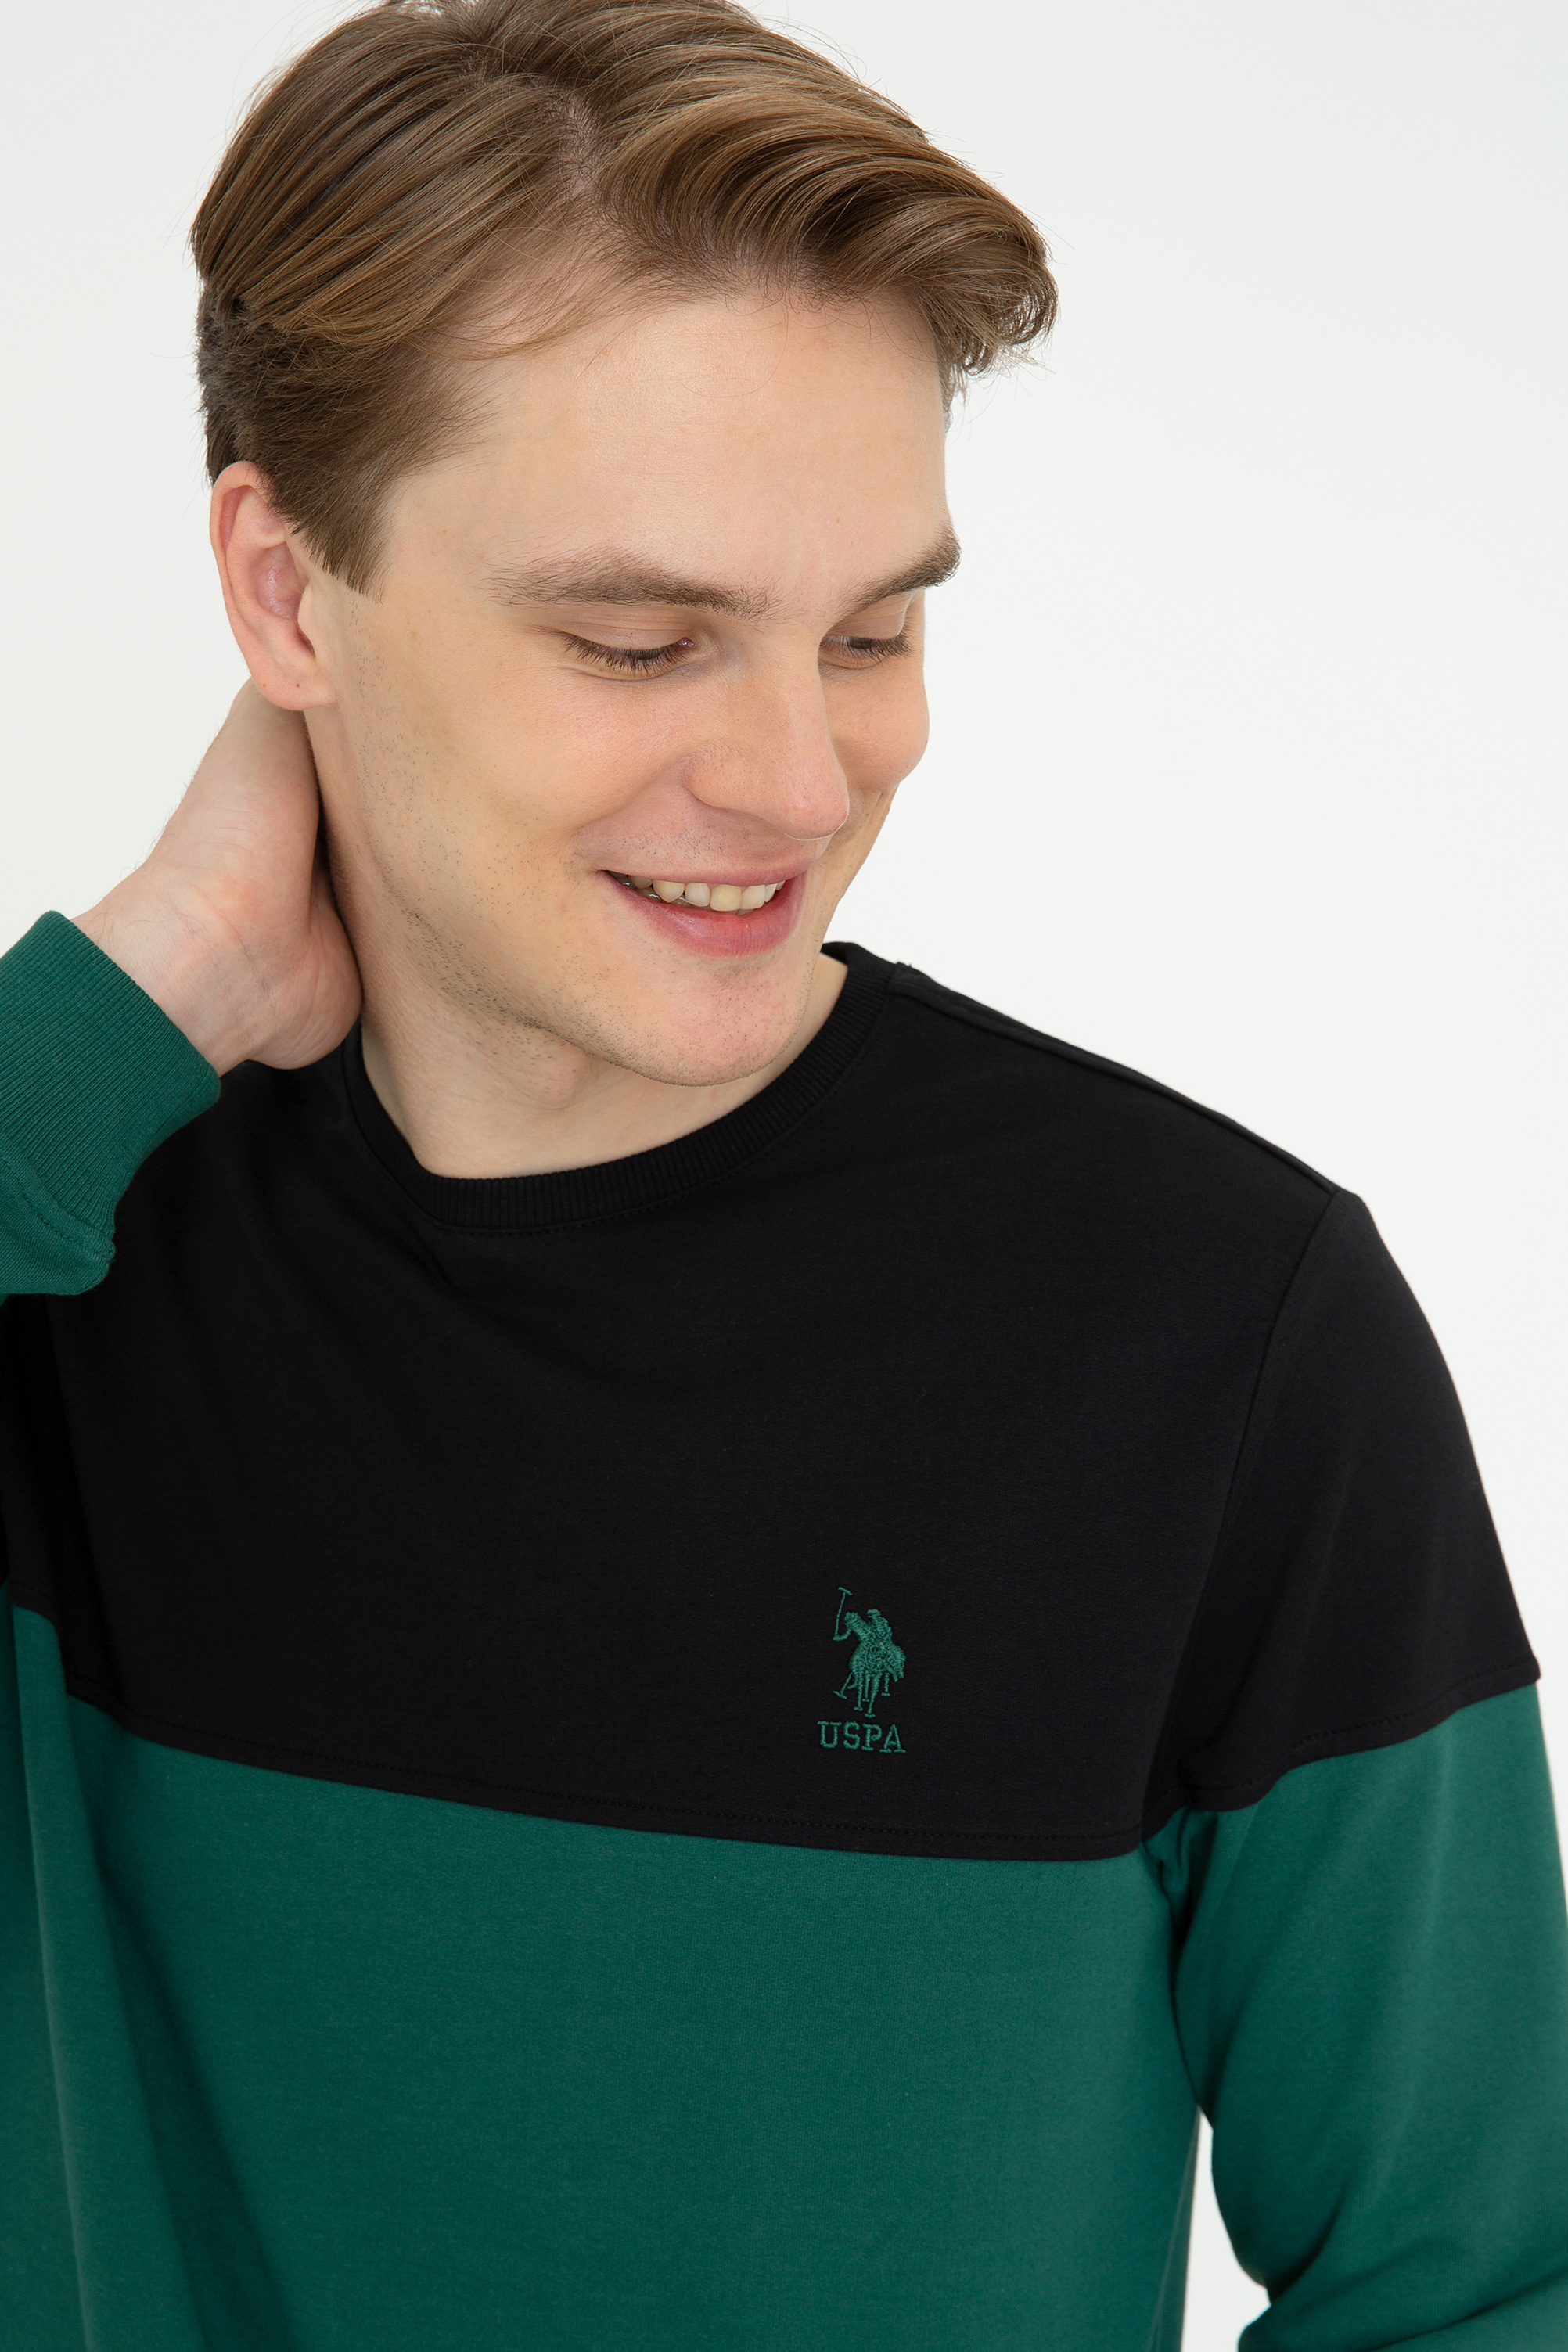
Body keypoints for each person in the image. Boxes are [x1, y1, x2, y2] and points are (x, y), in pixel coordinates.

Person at [1, 1, 1564, 2343]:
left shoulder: (1215, 1332)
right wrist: (161, 969)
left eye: (872, 630)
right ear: (288, 593)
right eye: (642, 641)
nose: (803, 781)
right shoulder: (65, 1259)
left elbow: (1487, 2283)